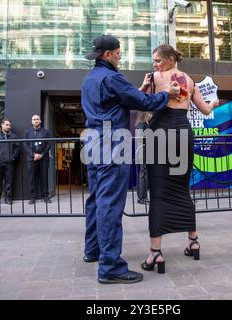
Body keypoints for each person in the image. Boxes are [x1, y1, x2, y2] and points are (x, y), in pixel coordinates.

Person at [81, 34, 181, 284]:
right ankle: (111, 267)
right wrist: (166, 94)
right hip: (111, 142)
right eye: (118, 52)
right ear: (107, 55)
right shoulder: (112, 77)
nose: (120, 56)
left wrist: (143, 89)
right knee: (110, 205)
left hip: (93, 140)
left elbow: (122, 101)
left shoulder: (91, 79)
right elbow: (144, 102)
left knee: (95, 199)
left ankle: (93, 251)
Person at [139, 44, 219, 274]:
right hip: (184, 132)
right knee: (183, 188)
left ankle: (156, 252)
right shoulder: (191, 81)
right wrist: (213, 103)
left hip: (160, 131)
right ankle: (193, 241)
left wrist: (144, 87)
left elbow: (141, 101)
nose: (155, 65)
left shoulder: (155, 77)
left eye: (158, 60)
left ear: (171, 58)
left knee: (159, 190)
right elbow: (205, 111)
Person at [0, 118, 20, 205]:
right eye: (7, 125)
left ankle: (8, 199)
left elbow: (17, 148)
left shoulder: (13, 136)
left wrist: (13, 157)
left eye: (9, 125)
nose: (8, 126)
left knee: (8, 182)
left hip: (9, 162)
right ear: (2, 125)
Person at [23, 114, 51, 204]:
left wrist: (41, 155)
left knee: (44, 177)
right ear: (32, 121)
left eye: (37, 119)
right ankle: (32, 197)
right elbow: (25, 145)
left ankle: (45, 196)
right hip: (32, 159)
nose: (35, 121)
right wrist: (33, 154)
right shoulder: (27, 132)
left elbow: (48, 144)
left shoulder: (46, 132)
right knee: (32, 178)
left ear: (40, 121)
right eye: (34, 119)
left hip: (43, 159)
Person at [134, 111, 153, 204]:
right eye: (150, 114)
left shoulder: (141, 124)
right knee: (143, 173)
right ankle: (142, 197)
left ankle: (142, 196)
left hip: (143, 150)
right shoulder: (142, 125)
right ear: (145, 115)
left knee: (143, 173)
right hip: (143, 150)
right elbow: (141, 140)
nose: (151, 116)